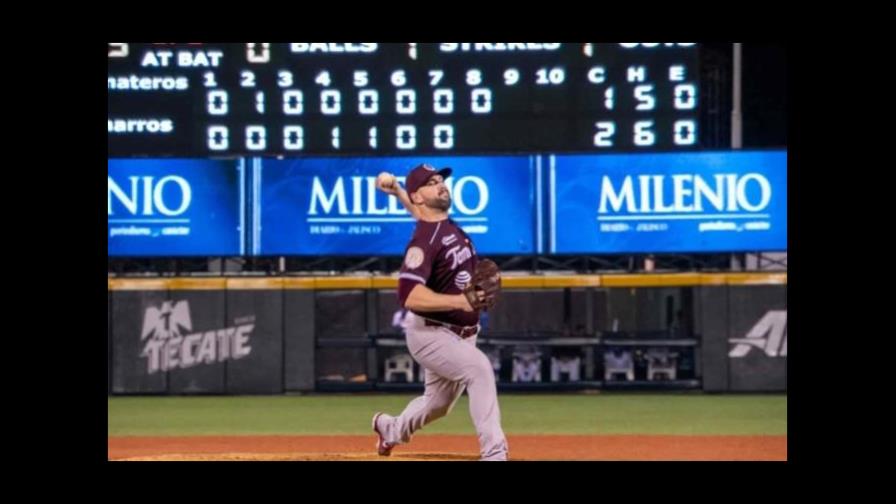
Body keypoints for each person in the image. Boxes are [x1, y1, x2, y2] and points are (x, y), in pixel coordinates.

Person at [371, 163, 508, 461]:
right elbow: (409, 295)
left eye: (441, 180)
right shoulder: (423, 243)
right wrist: (461, 302)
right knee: (480, 370)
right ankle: (495, 453)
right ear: (419, 196)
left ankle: (390, 429)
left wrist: (397, 191)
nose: (441, 185)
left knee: (438, 405)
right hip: (431, 333)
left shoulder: (443, 225)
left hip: (462, 335)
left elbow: (421, 214)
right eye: (431, 183)